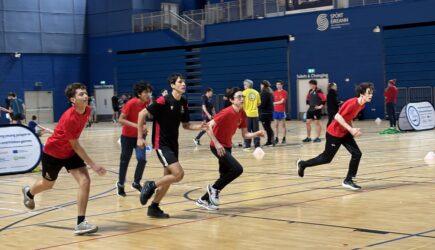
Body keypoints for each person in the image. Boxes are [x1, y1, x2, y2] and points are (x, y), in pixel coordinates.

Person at [22, 83, 107, 235]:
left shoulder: (88, 110)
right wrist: (93, 165)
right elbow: (75, 144)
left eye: (85, 93)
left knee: (85, 180)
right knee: (48, 185)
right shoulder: (69, 117)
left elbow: (73, 144)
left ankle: (81, 223)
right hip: (53, 153)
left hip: (69, 152)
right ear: (72, 100)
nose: (85, 96)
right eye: (81, 94)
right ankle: (29, 193)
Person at [137, 73, 207, 218]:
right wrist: (139, 137)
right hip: (161, 144)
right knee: (178, 174)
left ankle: (154, 207)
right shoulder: (163, 100)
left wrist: (201, 126)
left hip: (173, 144)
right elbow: (141, 114)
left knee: (168, 179)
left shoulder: (183, 102)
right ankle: (150, 185)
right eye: (180, 82)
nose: (183, 84)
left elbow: (186, 125)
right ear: (172, 85)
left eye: (184, 82)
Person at [196, 87, 265, 210]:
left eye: (242, 97)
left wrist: (256, 134)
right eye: (239, 97)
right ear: (232, 100)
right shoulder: (226, 112)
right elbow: (208, 126)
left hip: (227, 147)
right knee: (238, 169)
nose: (242, 99)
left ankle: (203, 200)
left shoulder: (243, 113)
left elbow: (245, 135)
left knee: (223, 176)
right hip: (217, 146)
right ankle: (213, 189)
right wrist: (217, 144)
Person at [296, 82, 374, 190]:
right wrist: (351, 129)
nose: (371, 95)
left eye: (372, 93)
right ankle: (303, 164)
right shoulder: (352, 103)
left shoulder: (362, 105)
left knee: (357, 153)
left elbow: (348, 117)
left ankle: (348, 180)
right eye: (369, 93)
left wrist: (352, 130)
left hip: (344, 133)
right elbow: (337, 116)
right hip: (334, 133)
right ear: (361, 94)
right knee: (326, 158)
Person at [116, 82, 152, 196]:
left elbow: (145, 117)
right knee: (124, 161)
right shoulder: (131, 103)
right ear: (139, 94)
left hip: (140, 136)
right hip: (127, 137)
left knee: (142, 159)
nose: (148, 94)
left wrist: (144, 126)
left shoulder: (147, 102)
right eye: (146, 92)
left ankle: (136, 182)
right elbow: (121, 120)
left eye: (149, 92)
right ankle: (120, 184)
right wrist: (137, 125)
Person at [242, 79, 261, 150]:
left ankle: (247, 146)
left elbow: (241, 103)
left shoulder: (243, 93)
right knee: (256, 131)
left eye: (244, 84)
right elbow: (259, 103)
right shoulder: (256, 92)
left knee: (247, 131)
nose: (244, 86)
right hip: (255, 114)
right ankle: (257, 145)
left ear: (247, 85)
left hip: (247, 114)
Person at [259, 80, 275, 146]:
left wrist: (258, 105)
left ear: (263, 85)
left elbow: (263, 104)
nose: (260, 86)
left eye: (261, 85)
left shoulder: (264, 93)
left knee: (267, 128)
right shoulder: (269, 92)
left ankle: (270, 141)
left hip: (265, 113)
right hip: (268, 112)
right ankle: (271, 141)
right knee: (268, 127)